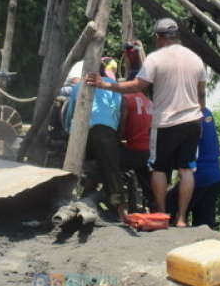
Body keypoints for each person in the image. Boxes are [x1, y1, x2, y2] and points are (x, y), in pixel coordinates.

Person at [86, 17, 206, 226]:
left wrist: (104, 85)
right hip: (193, 121)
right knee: (186, 170)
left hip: (167, 123)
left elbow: (136, 86)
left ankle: (161, 215)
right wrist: (200, 115)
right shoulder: (195, 59)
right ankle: (181, 219)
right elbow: (201, 94)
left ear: (159, 37)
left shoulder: (155, 58)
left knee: (159, 169)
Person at [64, 58, 125, 220]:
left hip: (85, 133)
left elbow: (69, 114)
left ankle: (80, 196)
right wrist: (117, 134)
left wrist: (67, 131)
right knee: (112, 172)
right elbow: (119, 111)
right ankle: (119, 211)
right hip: (107, 131)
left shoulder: (78, 87)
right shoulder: (113, 86)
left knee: (87, 166)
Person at [166, 107, 220, 228]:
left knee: (169, 205)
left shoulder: (188, 114)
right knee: (204, 225)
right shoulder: (206, 112)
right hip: (214, 175)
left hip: (198, 175)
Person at [119, 88, 153, 210]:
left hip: (133, 149)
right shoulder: (149, 102)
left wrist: (118, 139)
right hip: (147, 151)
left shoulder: (127, 98)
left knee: (112, 170)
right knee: (147, 186)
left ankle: (117, 209)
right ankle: (155, 212)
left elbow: (122, 127)